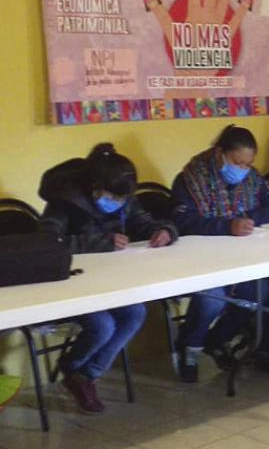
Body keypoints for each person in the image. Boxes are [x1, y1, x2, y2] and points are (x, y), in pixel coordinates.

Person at [38, 144, 177, 413]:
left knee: (135, 312)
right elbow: (47, 244)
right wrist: (99, 242)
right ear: (95, 187)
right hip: (70, 284)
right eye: (113, 197)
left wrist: (165, 231)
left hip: (109, 281)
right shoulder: (63, 202)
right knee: (103, 326)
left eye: (123, 198)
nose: (118, 203)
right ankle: (73, 366)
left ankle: (85, 375)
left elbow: (146, 223)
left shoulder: (124, 198)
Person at [171, 125, 269, 383]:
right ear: (220, 154)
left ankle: (216, 340)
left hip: (241, 256)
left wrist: (246, 218)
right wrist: (226, 226)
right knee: (213, 299)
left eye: (248, 164)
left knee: (257, 293)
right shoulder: (190, 180)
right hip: (201, 258)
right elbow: (184, 223)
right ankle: (189, 346)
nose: (243, 169)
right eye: (237, 162)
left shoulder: (252, 179)